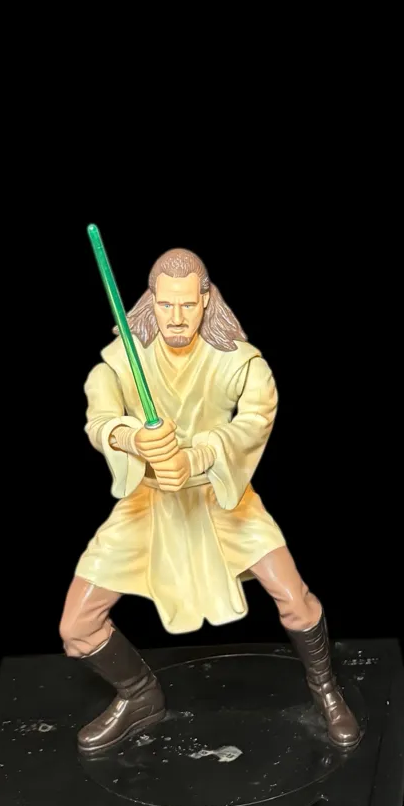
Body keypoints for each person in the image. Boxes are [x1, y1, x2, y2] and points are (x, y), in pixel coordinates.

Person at [60, 248, 359, 754]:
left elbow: (255, 421)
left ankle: (325, 688)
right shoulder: (121, 361)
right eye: (166, 305)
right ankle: (138, 695)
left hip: (223, 500)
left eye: (187, 305)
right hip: (148, 503)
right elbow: (99, 418)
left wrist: (199, 455)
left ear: (206, 300)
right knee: (76, 627)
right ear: (151, 301)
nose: (176, 318)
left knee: (294, 597)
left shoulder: (241, 362)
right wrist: (132, 438)